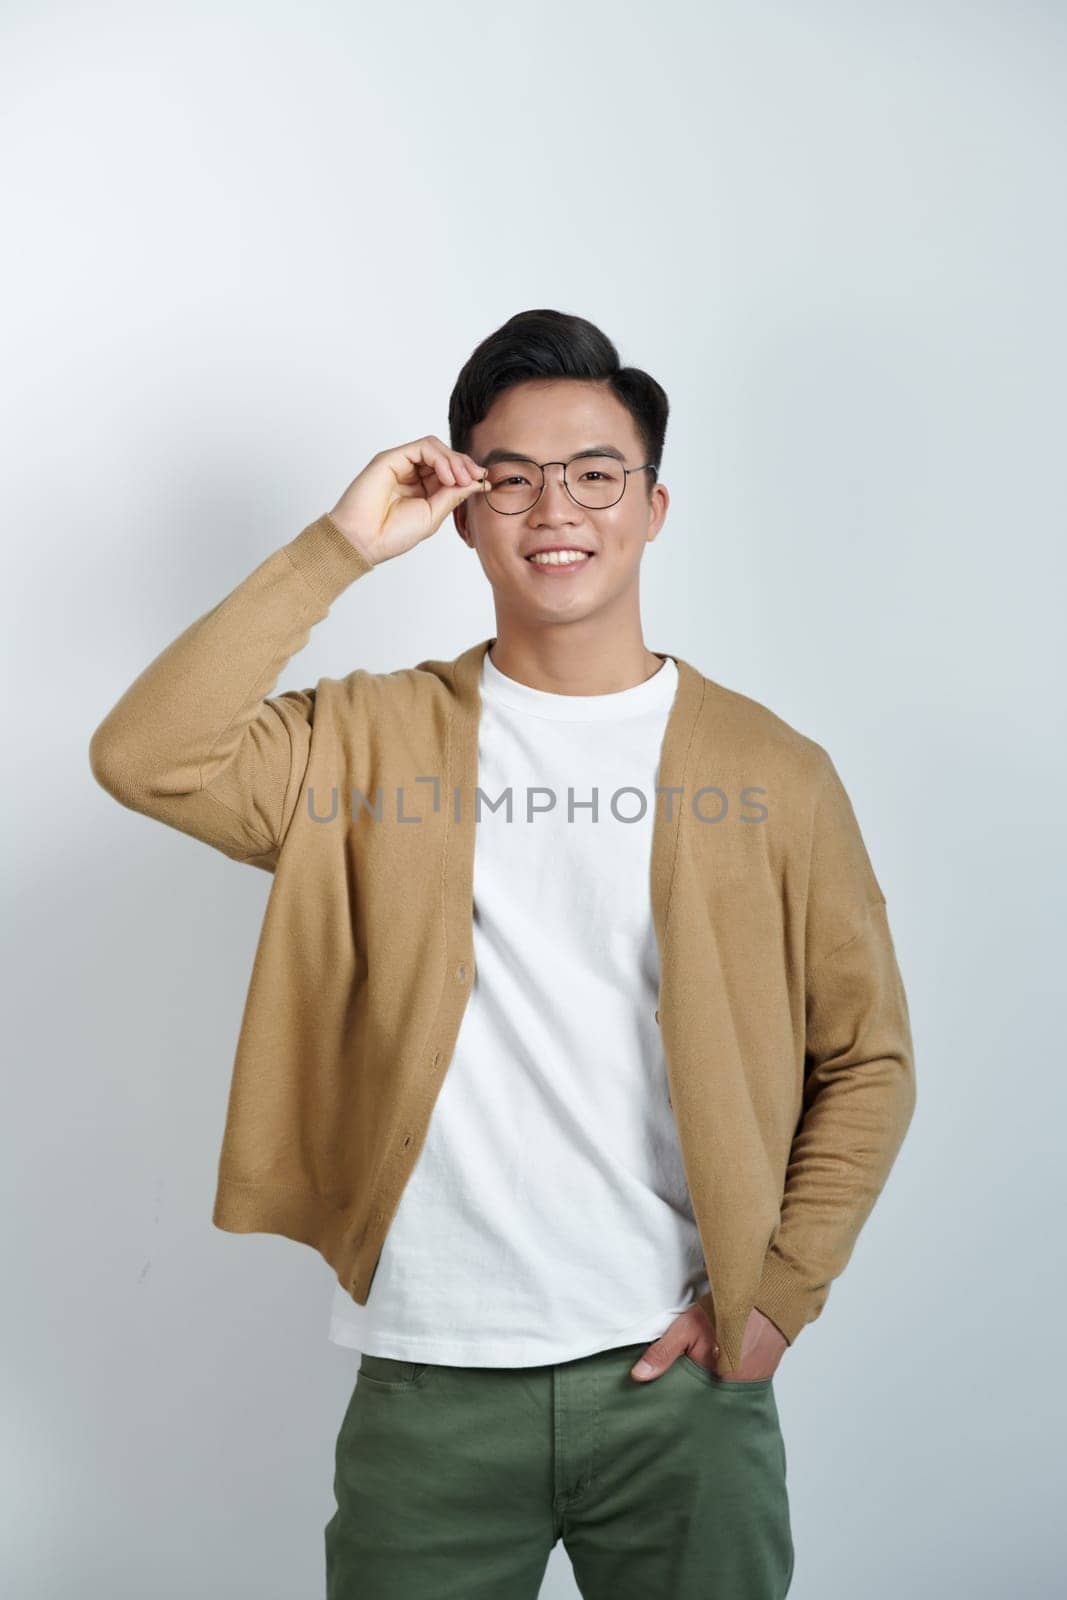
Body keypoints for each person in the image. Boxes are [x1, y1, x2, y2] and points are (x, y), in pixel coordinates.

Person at [89, 308, 916, 1599]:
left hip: (681, 1390)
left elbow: (866, 1055)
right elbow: (146, 757)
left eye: (595, 474)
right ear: (466, 510)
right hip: (430, 1388)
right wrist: (338, 549)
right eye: (512, 478)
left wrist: (779, 1293)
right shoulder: (365, 746)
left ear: (652, 507)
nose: (556, 510)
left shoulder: (770, 773)